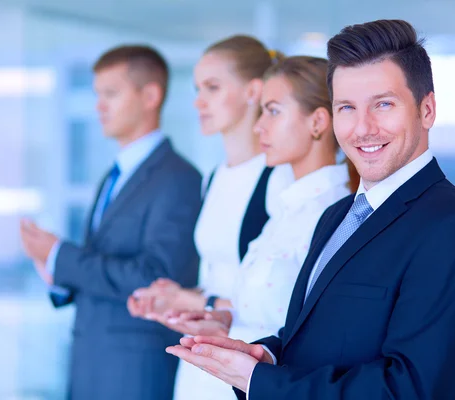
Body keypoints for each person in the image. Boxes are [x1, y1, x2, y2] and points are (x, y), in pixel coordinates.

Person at [165, 19, 455, 400]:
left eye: (383, 104)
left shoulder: (454, 227)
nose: (362, 128)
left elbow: (412, 390)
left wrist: (262, 382)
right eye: (347, 108)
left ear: (427, 110)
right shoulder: (337, 216)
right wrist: (267, 356)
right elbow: (321, 338)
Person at [131, 55, 359, 400]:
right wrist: (218, 318)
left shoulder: (333, 214)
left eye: (273, 111)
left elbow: (318, 333)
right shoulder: (286, 209)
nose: (259, 126)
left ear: (317, 122)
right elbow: (266, 305)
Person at [19, 45, 202, 400]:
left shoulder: (179, 178)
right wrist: (58, 273)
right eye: (97, 95)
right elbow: (104, 266)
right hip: (92, 363)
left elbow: (156, 277)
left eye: (111, 94)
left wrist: (61, 255)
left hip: (134, 370)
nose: (98, 106)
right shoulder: (114, 175)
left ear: (151, 95)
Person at [127, 35, 294, 400]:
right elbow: (217, 275)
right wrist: (177, 296)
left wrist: (199, 303)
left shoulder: (280, 179)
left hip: (249, 358)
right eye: (197, 88)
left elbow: (283, 294)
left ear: (253, 91)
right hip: (200, 360)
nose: (198, 101)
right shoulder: (214, 177)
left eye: (213, 88)